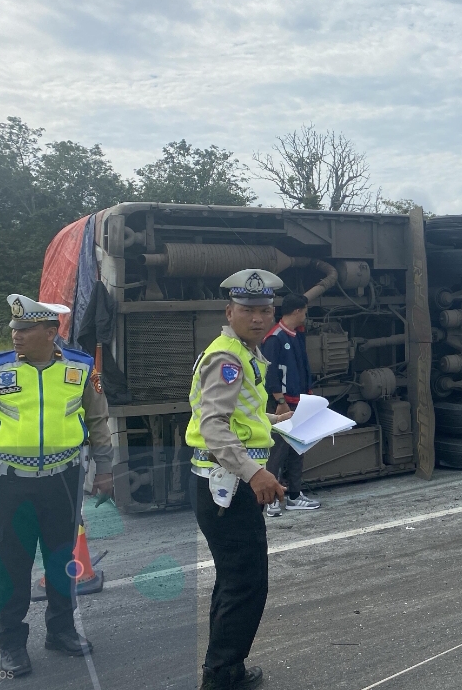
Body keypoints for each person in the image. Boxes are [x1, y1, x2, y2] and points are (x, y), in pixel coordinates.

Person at [0, 295, 114, 677]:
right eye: (14, 330)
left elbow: (98, 421)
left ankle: (61, 630)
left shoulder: (81, 368)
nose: (16, 337)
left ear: (50, 332)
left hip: (63, 479)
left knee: (61, 559)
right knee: (10, 564)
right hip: (10, 484)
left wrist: (104, 471)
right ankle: (11, 642)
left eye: (25, 330)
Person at [186, 269, 289, 690]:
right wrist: (255, 471)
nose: (259, 318)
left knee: (234, 580)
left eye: (265, 310)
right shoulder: (228, 358)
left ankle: (224, 669)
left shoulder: (241, 352)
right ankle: (220, 677)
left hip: (223, 482)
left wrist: (274, 421)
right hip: (226, 484)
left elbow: (237, 417)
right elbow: (213, 426)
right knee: (246, 584)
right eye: (248, 310)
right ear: (230, 311)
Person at [260, 292, 320, 516]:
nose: (305, 315)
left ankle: (294, 495)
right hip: (283, 405)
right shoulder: (275, 338)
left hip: (299, 402)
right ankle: (271, 500)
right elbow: (270, 372)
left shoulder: (295, 335)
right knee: (276, 451)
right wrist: (280, 401)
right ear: (297, 311)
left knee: (297, 449)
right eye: (304, 310)